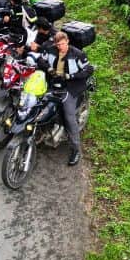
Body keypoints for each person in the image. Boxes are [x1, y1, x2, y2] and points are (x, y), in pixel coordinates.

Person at [35, 31, 94, 166]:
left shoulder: (78, 54)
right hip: (53, 83)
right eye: (58, 44)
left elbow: (89, 70)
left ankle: (75, 149)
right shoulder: (51, 50)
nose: (60, 46)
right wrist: (49, 69)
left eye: (62, 43)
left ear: (67, 41)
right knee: (38, 104)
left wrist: (70, 76)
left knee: (69, 117)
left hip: (71, 87)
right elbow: (40, 59)